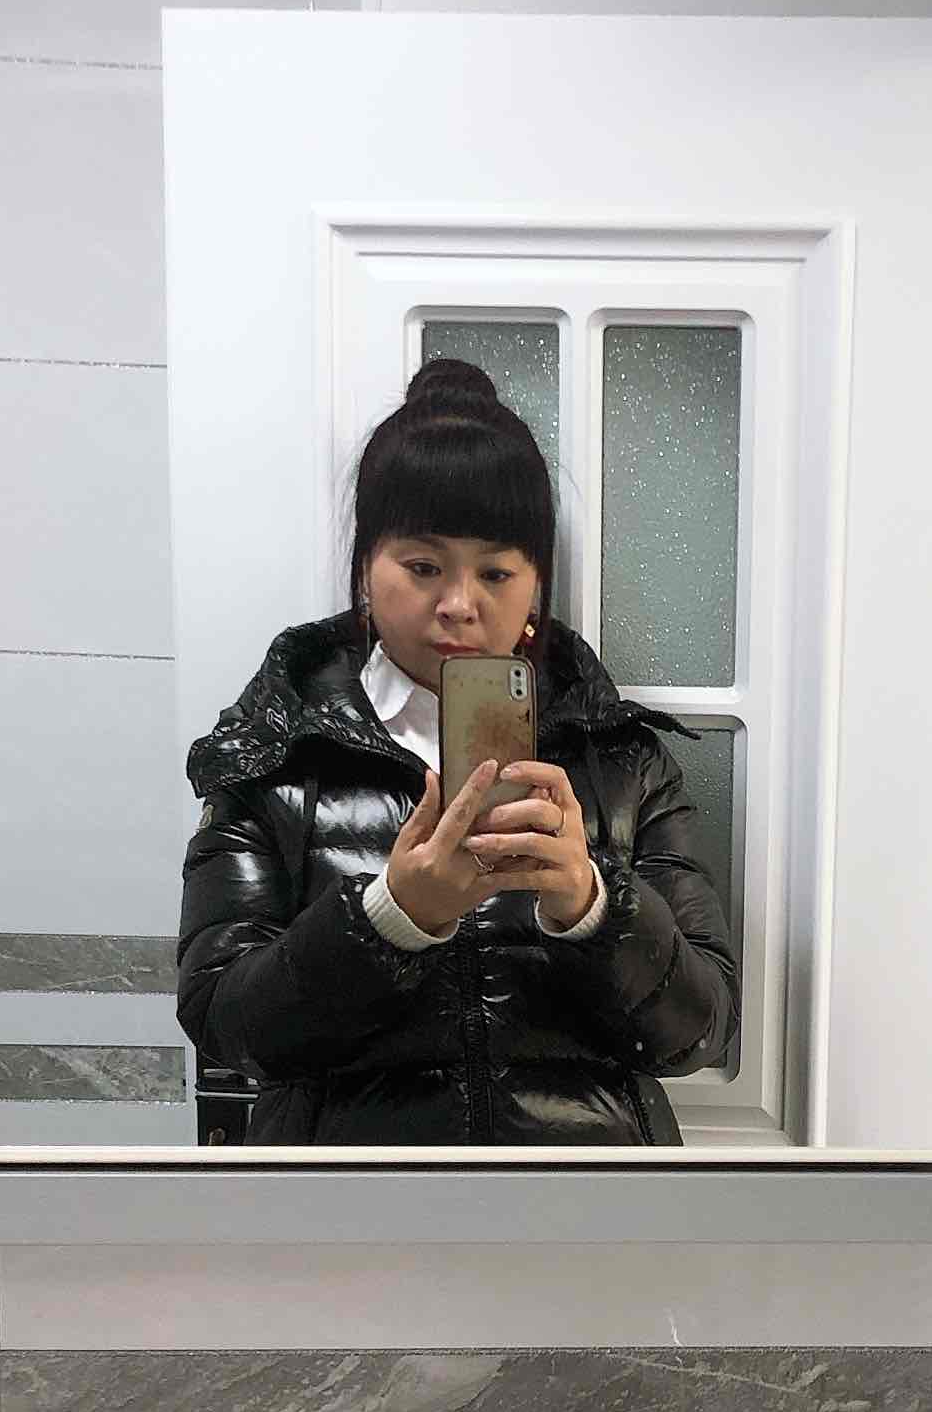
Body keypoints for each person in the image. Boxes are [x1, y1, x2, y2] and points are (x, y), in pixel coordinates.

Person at [177, 356, 738, 1146]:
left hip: (590, 1204)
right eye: (423, 566)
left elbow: (699, 1034)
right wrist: (390, 918)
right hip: (349, 1204)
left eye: (496, 572)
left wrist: (592, 906)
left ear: (535, 584)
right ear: (365, 568)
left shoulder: (623, 763)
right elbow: (224, 1026)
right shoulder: (276, 756)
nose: (459, 604)